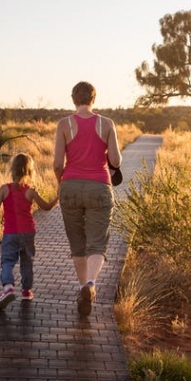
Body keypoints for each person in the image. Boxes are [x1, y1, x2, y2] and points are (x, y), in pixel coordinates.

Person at [53, 81, 122, 316]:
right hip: (99, 187)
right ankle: (91, 284)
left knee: (77, 242)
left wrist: (60, 183)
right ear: (94, 98)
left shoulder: (64, 125)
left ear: (74, 99)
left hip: (70, 186)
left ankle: (82, 286)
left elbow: (56, 163)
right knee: (97, 242)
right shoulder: (107, 124)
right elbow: (116, 159)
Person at [0, 152, 58, 310]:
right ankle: (26, 291)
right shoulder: (30, 191)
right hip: (28, 232)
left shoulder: (4, 189)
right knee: (27, 262)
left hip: (11, 233)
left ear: (12, 169)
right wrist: (57, 198)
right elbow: (46, 207)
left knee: (7, 261)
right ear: (29, 171)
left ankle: (8, 288)